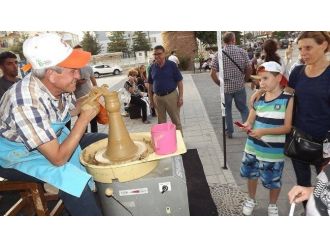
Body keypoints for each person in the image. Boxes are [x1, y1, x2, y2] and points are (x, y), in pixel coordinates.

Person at [0, 33, 107, 216]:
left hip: (49, 141)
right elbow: (57, 159)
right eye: (72, 70)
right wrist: (84, 119)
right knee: (72, 180)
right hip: (16, 156)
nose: (79, 75)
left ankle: (98, 198)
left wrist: (90, 98)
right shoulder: (24, 101)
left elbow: (69, 110)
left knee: (102, 141)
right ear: (51, 73)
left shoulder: (61, 87)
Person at [240, 61, 294, 216]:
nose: (261, 82)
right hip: (252, 146)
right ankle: (251, 199)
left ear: (278, 78)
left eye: (265, 78)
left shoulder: (287, 99)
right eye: (260, 79)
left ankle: (272, 205)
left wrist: (263, 132)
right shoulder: (259, 98)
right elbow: (251, 117)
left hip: (273, 151)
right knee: (252, 174)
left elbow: (287, 128)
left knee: (273, 179)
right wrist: (247, 124)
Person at [286, 31, 330, 209]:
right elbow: (286, 97)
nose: (303, 53)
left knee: (324, 190)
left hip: (326, 146)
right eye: (300, 48)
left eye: (308, 47)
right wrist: (262, 92)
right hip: (299, 140)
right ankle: (308, 214)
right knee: (302, 185)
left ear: (324, 45)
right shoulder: (297, 71)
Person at [210, 32, 251, 138]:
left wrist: (220, 83)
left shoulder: (218, 54)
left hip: (226, 88)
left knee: (227, 110)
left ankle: (229, 132)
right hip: (239, 86)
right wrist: (245, 80)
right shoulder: (242, 51)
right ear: (234, 40)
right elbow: (249, 68)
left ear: (224, 41)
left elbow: (212, 73)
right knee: (243, 108)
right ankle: (247, 129)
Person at [148, 45, 183, 133]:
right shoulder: (152, 67)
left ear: (164, 54)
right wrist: (151, 99)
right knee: (161, 123)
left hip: (171, 96)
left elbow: (180, 82)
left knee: (176, 121)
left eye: (159, 54)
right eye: (155, 54)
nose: (156, 56)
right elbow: (150, 85)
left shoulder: (172, 65)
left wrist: (180, 97)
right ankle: (164, 142)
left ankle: (179, 142)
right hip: (157, 98)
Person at [68, 45, 98, 133]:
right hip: (78, 101)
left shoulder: (88, 68)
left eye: (80, 52)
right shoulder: (70, 68)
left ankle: (94, 136)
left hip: (90, 98)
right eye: (76, 53)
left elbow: (94, 82)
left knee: (93, 121)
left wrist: (96, 92)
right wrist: (77, 82)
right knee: (82, 122)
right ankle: (84, 138)